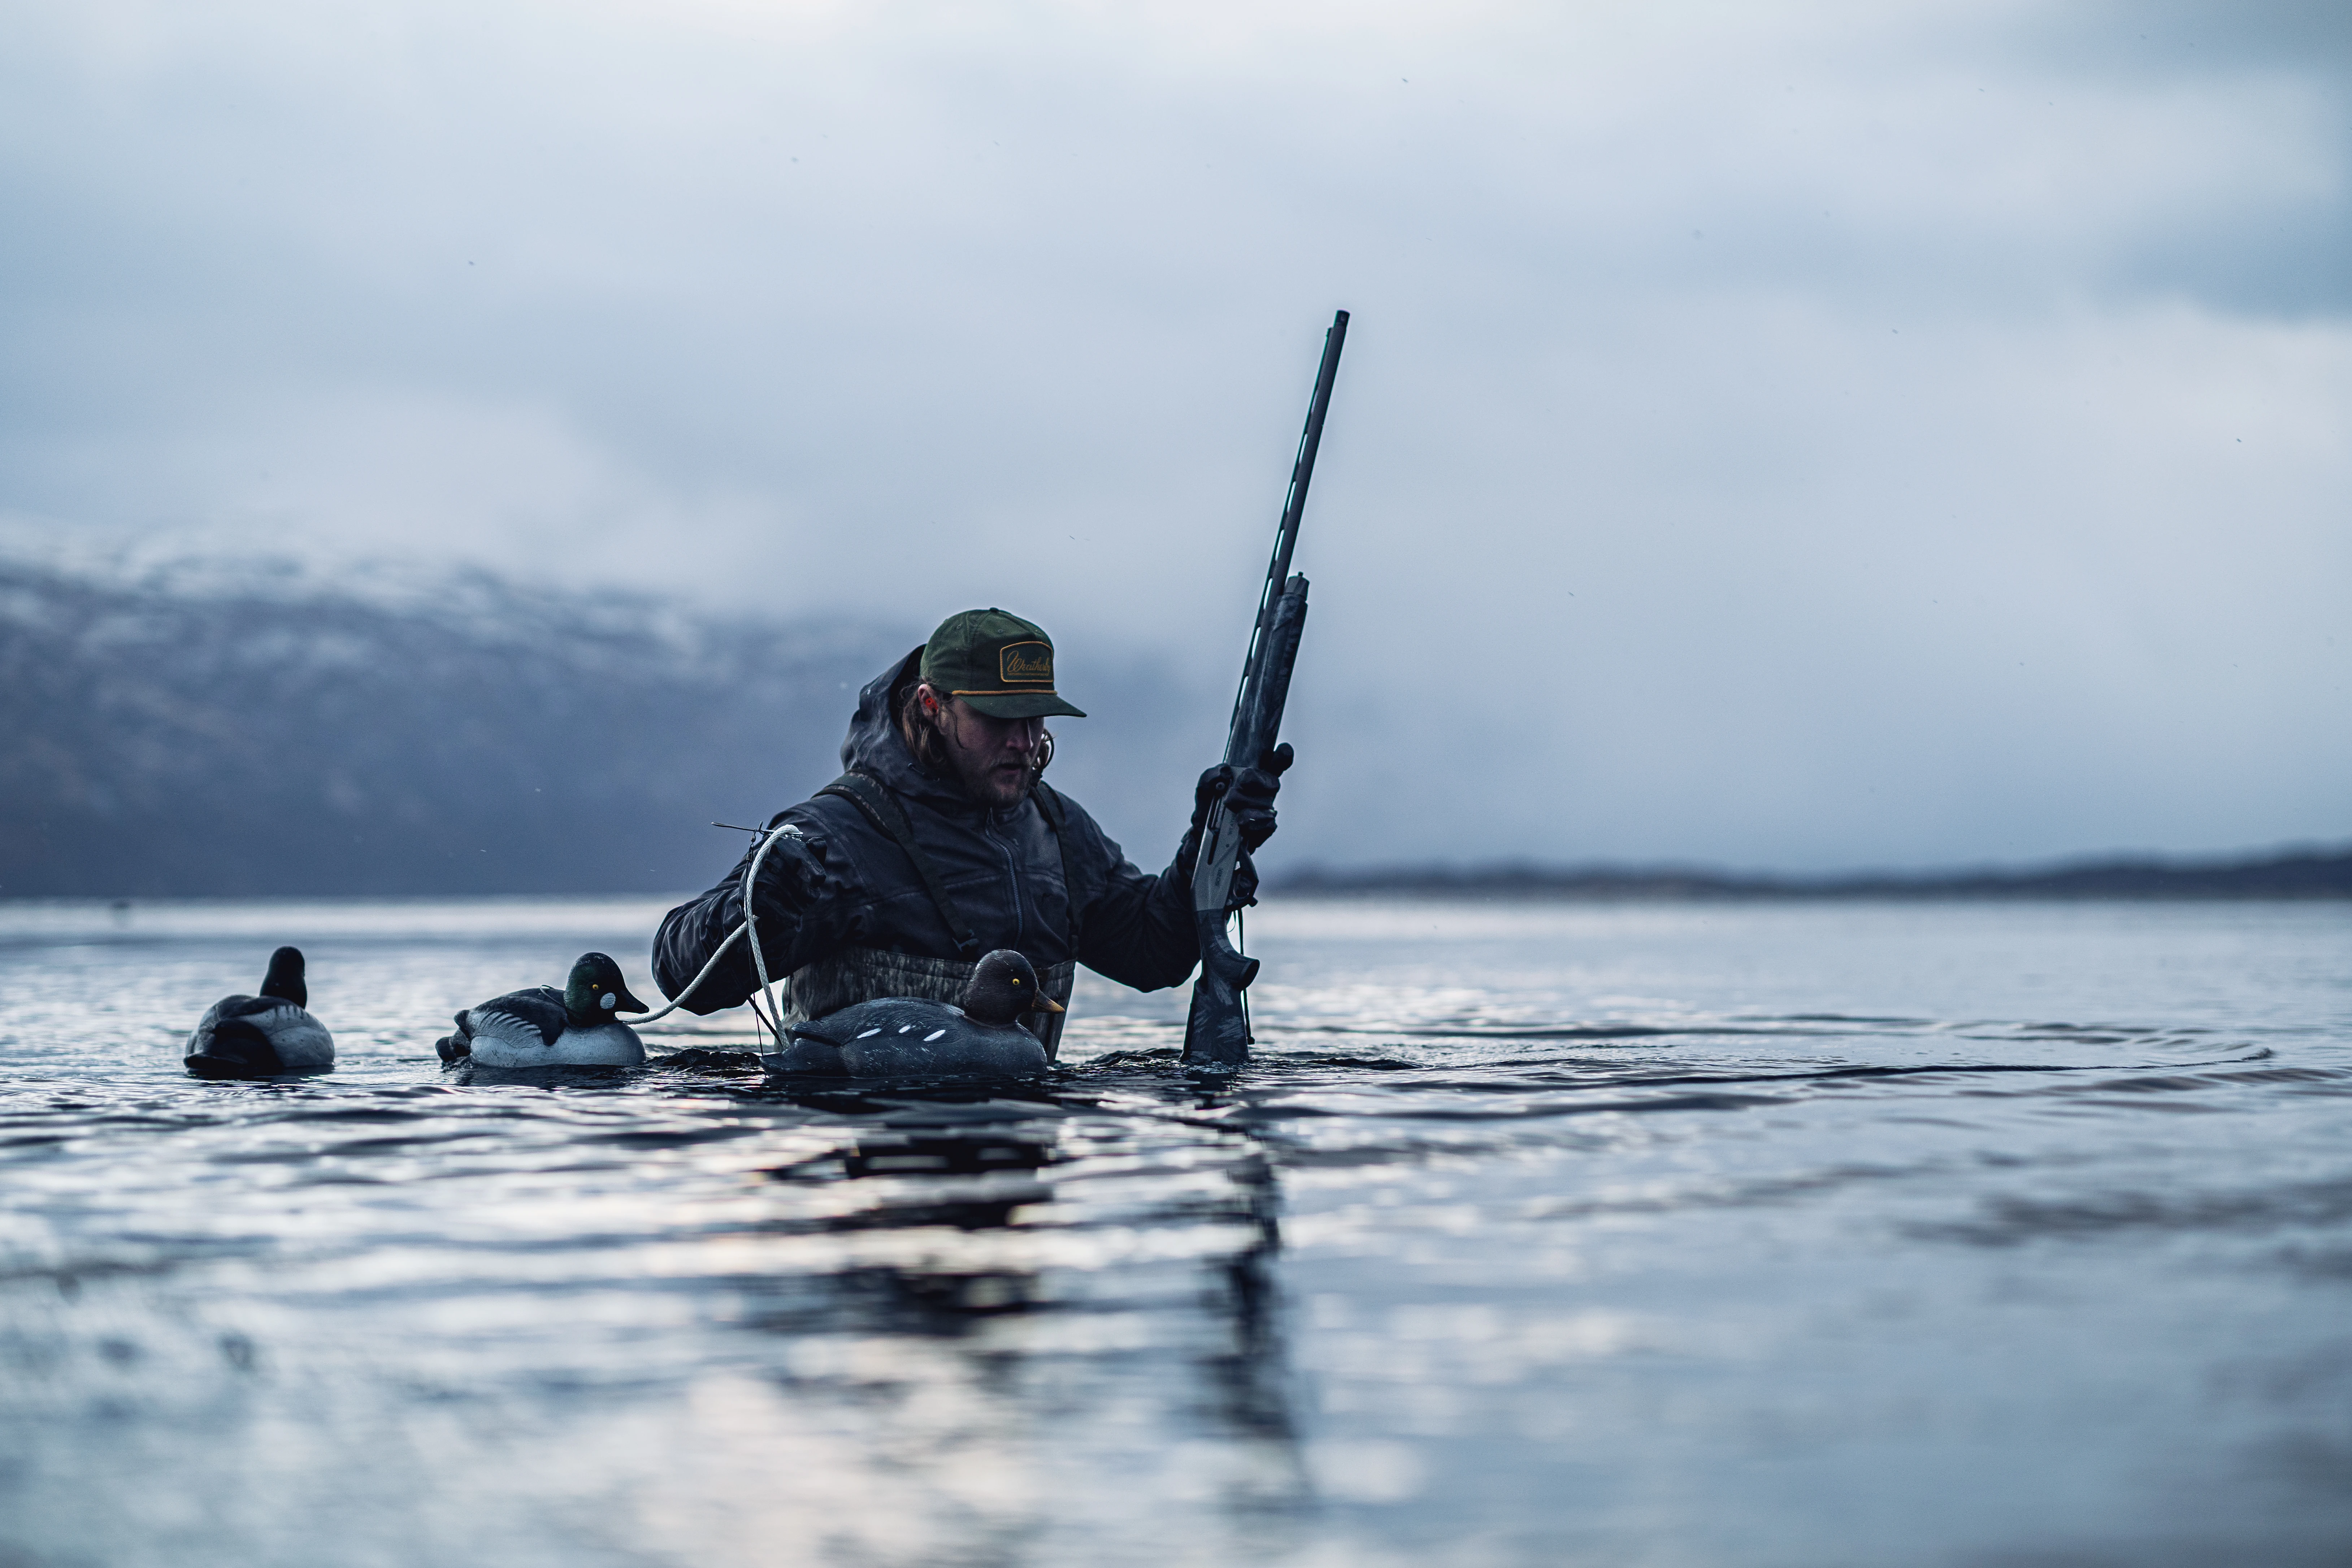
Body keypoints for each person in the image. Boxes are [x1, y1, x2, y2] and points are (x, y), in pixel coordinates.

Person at [651, 608, 1289, 1056]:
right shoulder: (833, 836)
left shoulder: (1060, 832)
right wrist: (754, 910)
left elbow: (1154, 956)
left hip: (1020, 1206)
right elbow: (682, 979)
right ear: (932, 706)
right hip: (875, 1196)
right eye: (997, 718)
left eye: (1035, 717)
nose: (1024, 740)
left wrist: (1209, 843)